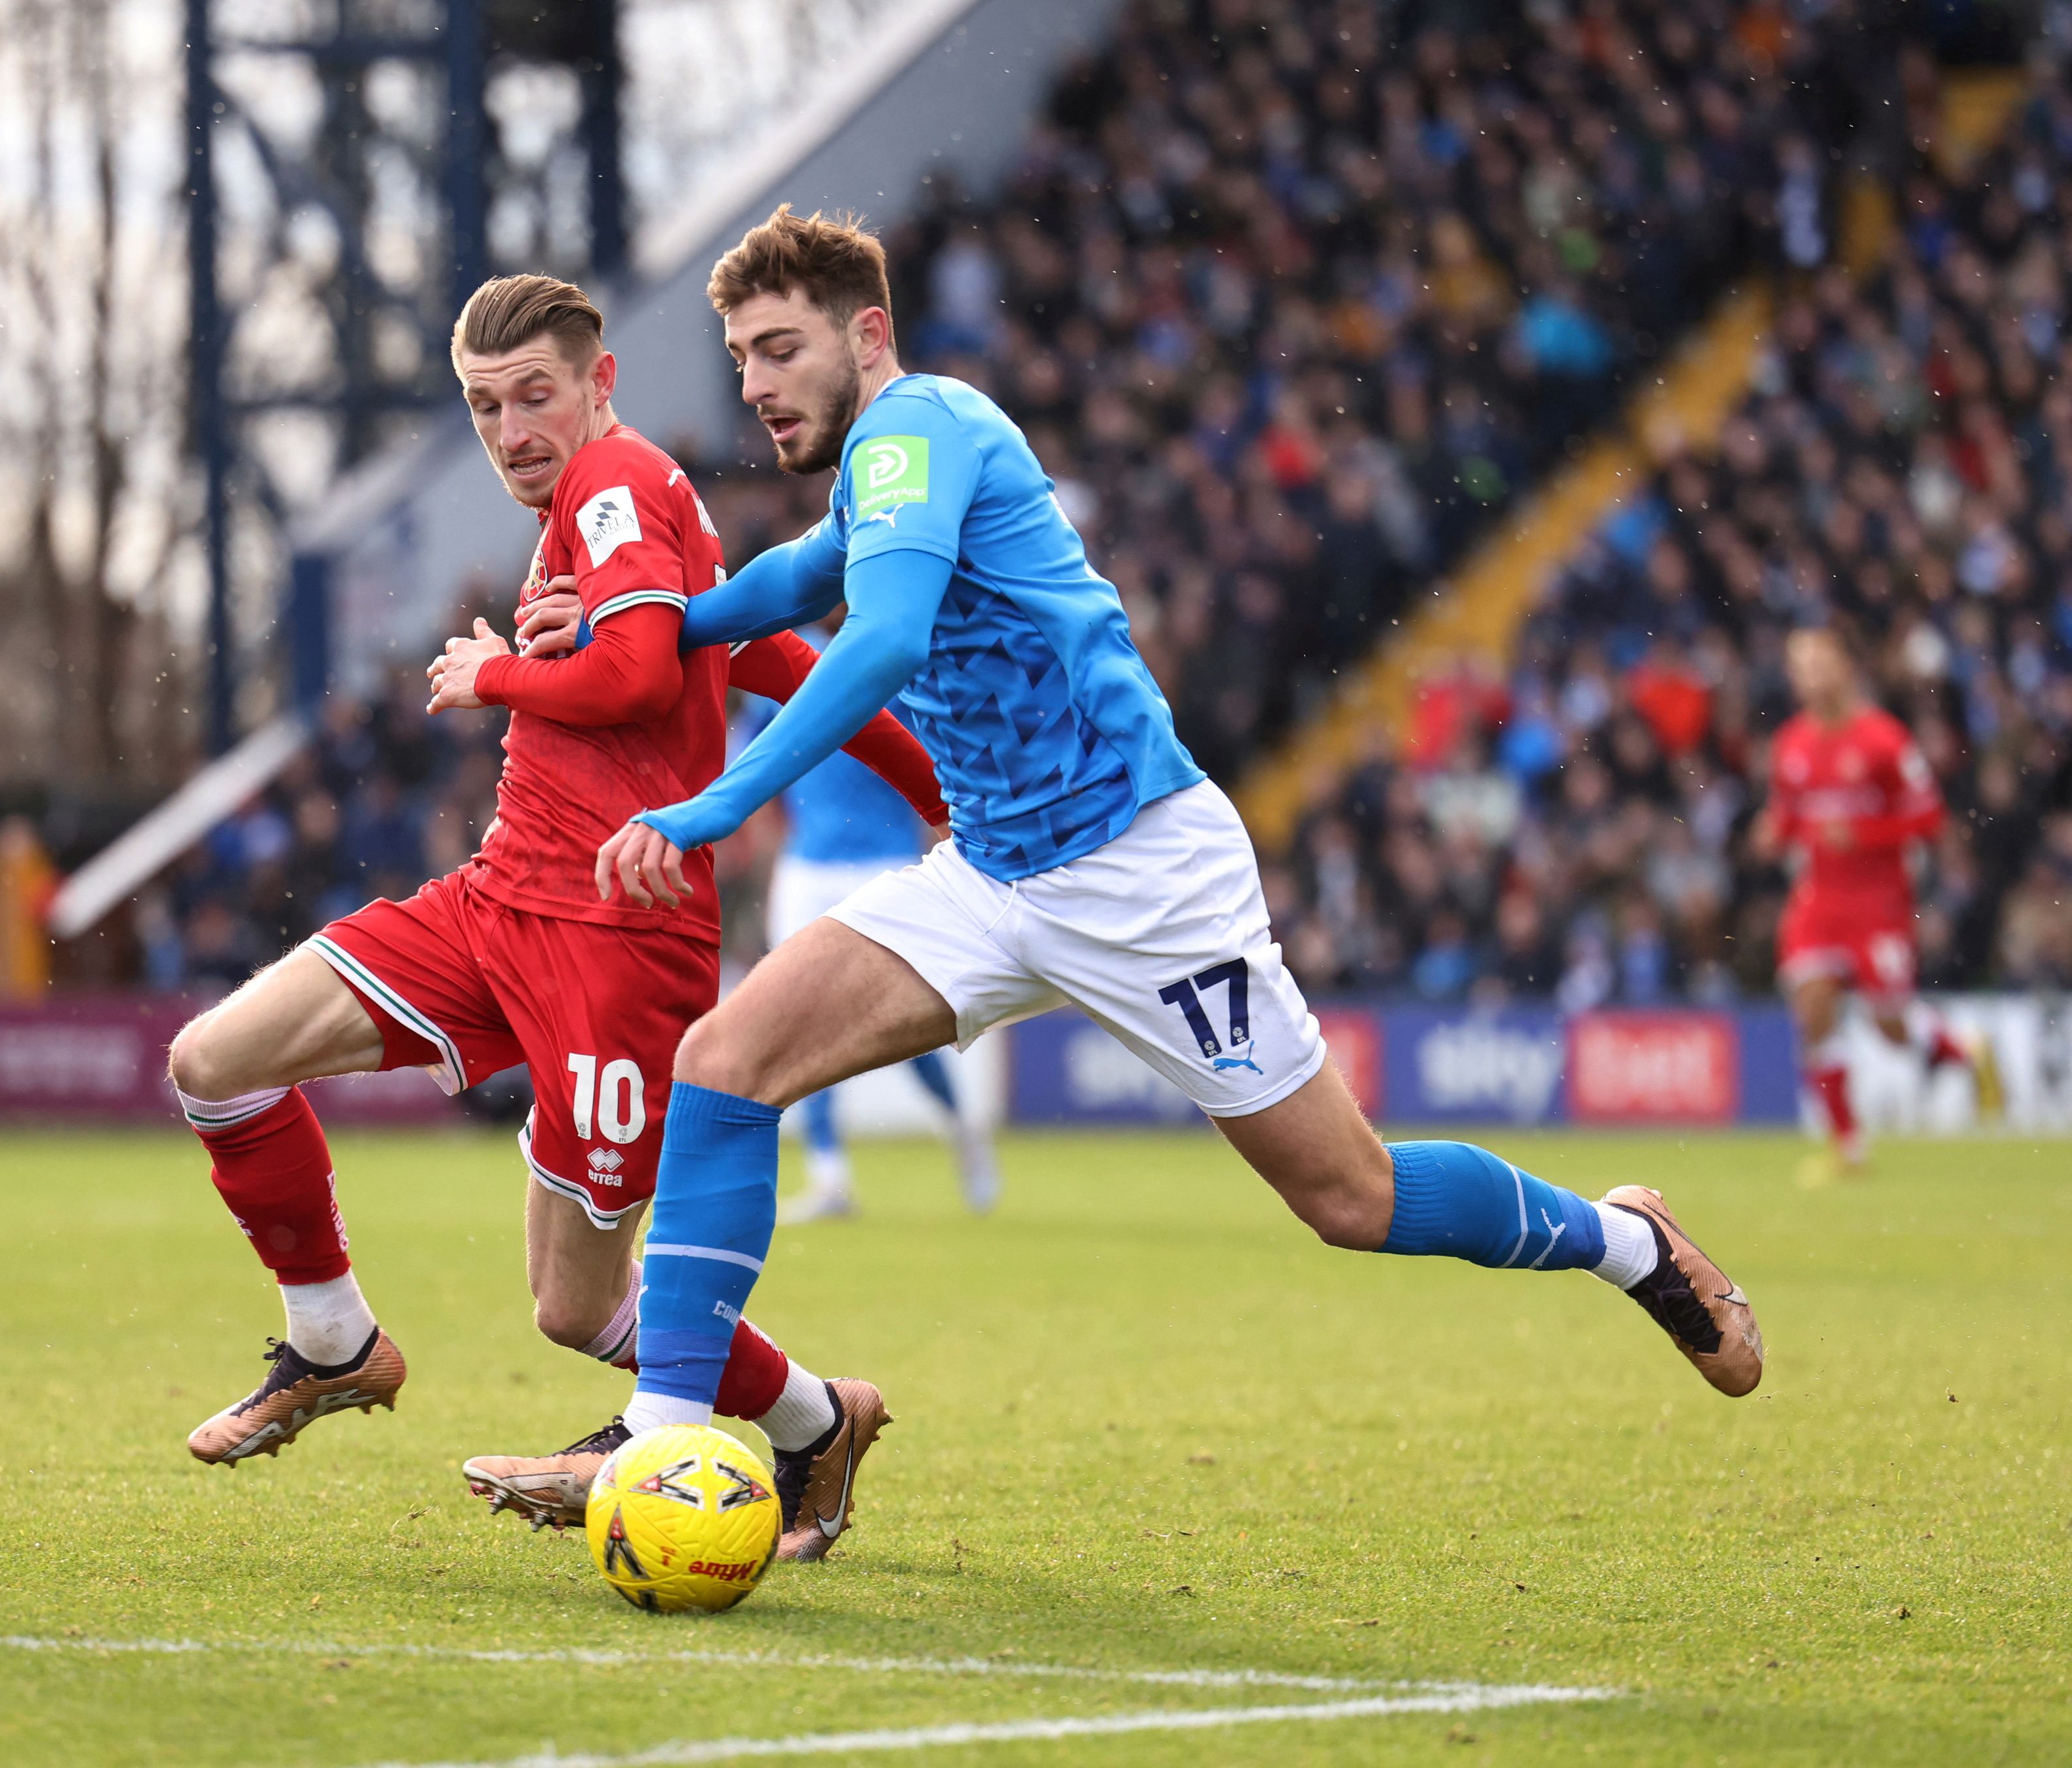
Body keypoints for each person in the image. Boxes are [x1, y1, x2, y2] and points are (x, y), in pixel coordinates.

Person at [484, 207, 1766, 1556]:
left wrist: (712, 804)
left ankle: (1624, 1241)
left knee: (1352, 1199)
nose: (753, 382)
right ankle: (663, 1440)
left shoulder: (921, 427)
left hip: (1139, 873)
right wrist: (647, 623)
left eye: (779, 348)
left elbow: (882, 639)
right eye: (740, 356)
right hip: (991, 873)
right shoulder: (876, 469)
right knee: (725, 1063)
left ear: (866, 335)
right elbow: (794, 580)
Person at [165, 275, 948, 1561]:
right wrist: (930, 790)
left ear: (600, 383)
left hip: (616, 939)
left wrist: (498, 675)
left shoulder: (614, 482)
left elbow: (635, 675)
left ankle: (814, 1422)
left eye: (534, 396)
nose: (511, 430)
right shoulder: (614, 506)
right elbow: (763, 656)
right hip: (497, 900)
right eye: (485, 407)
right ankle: (332, 1341)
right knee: (218, 1062)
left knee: (574, 1308)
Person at [741, 634, 1002, 1221]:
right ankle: (830, 1175)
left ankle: (961, 1127)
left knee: (902, 1024)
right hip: (808, 868)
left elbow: (935, 762)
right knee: (801, 1020)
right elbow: (756, 762)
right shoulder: (788, 656)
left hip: (881, 864)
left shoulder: (887, 653)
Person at [1755, 627, 1999, 1183]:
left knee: (1887, 1022)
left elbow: (1929, 817)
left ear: (1845, 666)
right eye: (1800, 666)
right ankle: (1847, 1145)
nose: (1810, 676)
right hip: (1818, 899)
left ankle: (1967, 1051)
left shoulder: (1884, 739)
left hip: (1877, 900)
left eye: (1819, 662)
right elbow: (1790, 815)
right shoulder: (1790, 743)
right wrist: (1773, 832)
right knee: (1812, 1009)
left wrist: (1864, 834)